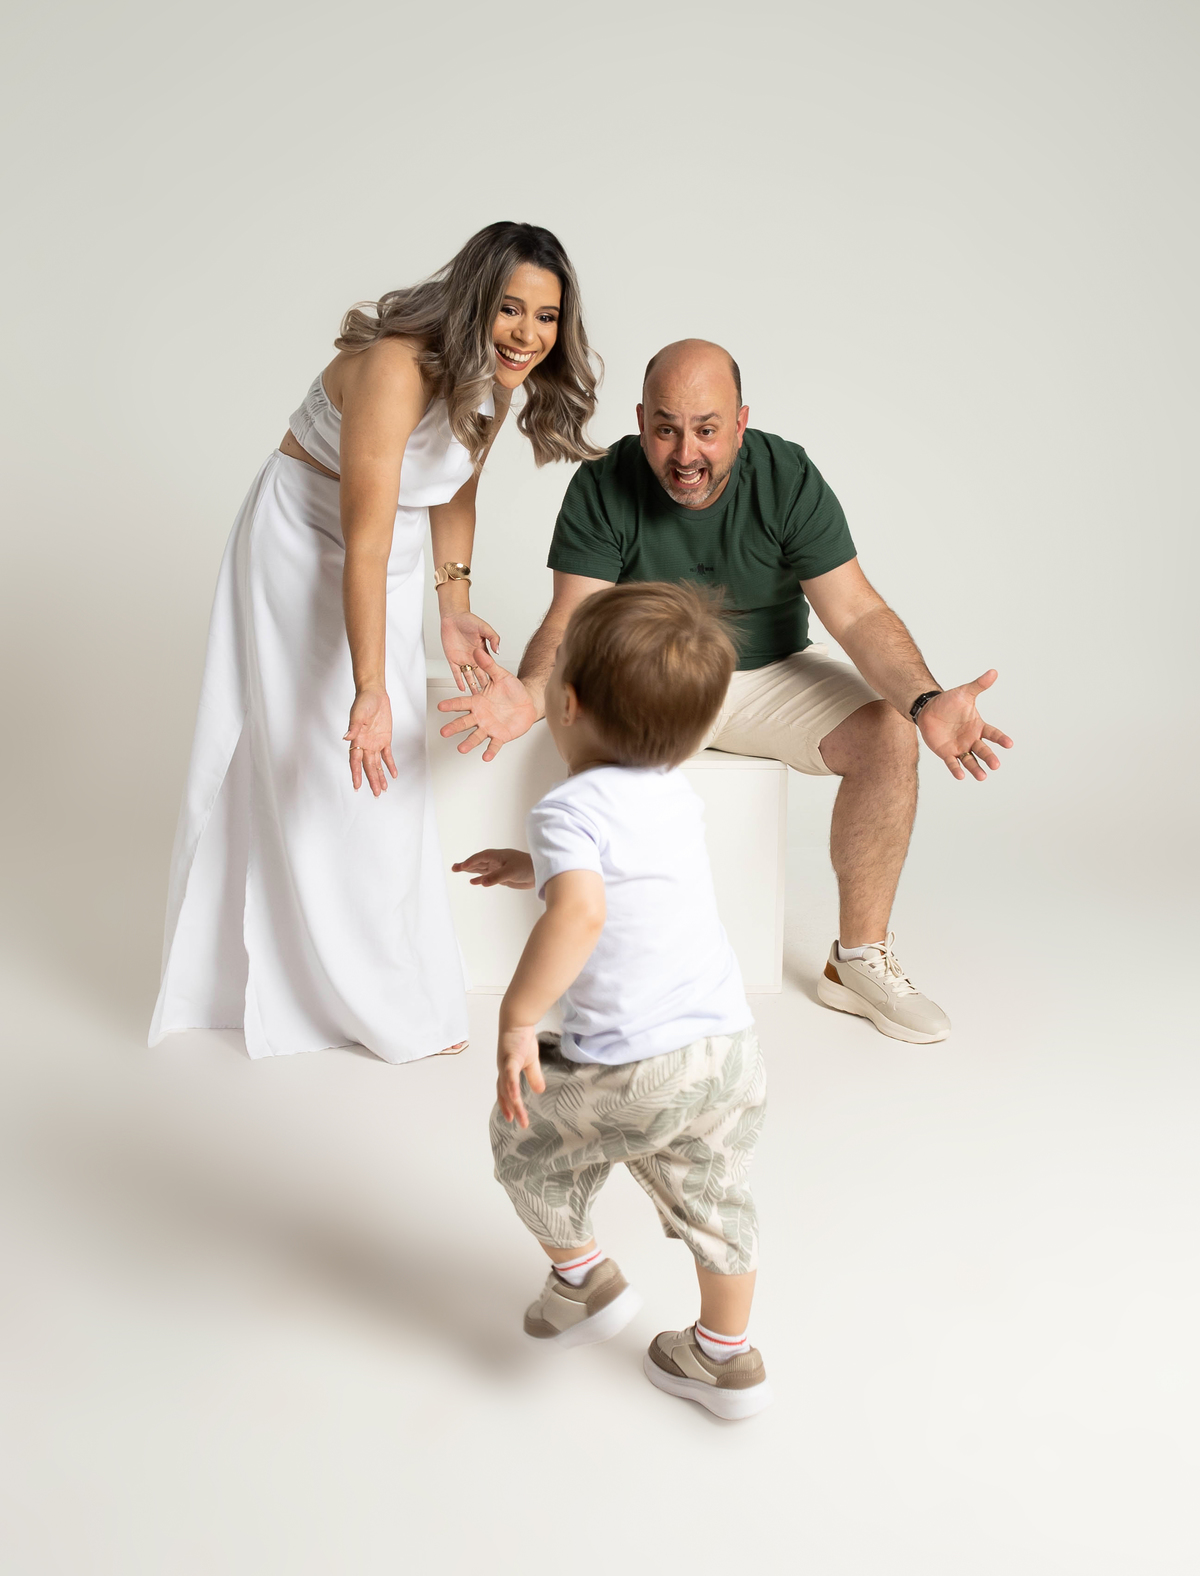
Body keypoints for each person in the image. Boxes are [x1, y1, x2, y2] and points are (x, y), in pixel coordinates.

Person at [439, 338, 1013, 1045]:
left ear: (741, 423)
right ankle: (602, 978)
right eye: (666, 429)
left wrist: (922, 701)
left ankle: (858, 960)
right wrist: (530, 696)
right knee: (592, 755)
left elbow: (856, 612)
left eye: (707, 430)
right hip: (650, 678)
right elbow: (571, 620)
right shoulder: (603, 482)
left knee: (888, 733)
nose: (687, 454)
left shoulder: (785, 475)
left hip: (769, 672)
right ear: (641, 420)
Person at [149, 222, 601, 1063]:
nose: (527, 334)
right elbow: (362, 539)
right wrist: (369, 687)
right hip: (303, 540)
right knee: (329, 754)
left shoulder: (496, 378)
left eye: (546, 317)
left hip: (387, 550)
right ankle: (333, 995)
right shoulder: (396, 368)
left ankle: (387, 983)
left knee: (386, 772)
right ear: (475, 301)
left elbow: (455, 488)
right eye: (510, 309)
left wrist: (452, 606)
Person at [454, 583, 772, 1419]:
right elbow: (627, 873)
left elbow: (585, 910)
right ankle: (724, 1360)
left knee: (524, 1143)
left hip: (634, 1066)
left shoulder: (565, 806)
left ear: (565, 704)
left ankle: (582, 1282)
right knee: (718, 1201)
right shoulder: (675, 791)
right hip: (729, 1052)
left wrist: (518, 1018)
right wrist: (536, 867)